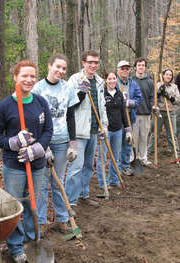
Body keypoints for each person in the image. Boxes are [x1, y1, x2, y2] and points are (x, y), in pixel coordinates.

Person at [0, 60, 53, 263]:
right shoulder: (5, 106)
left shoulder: (41, 102)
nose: (29, 79)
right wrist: (14, 141)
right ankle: (16, 247)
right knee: (16, 206)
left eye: (33, 76)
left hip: (37, 165)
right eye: (24, 75)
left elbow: (48, 131)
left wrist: (38, 148)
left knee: (35, 204)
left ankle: (32, 239)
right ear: (15, 77)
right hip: (15, 166)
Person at [33, 54, 79, 234]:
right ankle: (42, 221)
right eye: (57, 67)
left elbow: (70, 116)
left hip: (62, 141)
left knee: (59, 181)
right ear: (49, 66)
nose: (60, 71)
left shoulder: (67, 88)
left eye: (64, 68)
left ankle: (61, 220)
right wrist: (43, 146)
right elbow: (34, 120)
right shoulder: (38, 89)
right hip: (44, 141)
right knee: (43, 183)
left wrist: (73, 143)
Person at [65, 50, 108, 213]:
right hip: (79, 131)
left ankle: (84, 194)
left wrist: (104, 125)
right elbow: (69, 105)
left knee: (89, 166)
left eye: (96, 62)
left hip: (95, 130)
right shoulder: (75, 80)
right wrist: (81, 93)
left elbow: (101, 106)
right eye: (90, 62)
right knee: (76, 167)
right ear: (83, 63)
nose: (93, 65)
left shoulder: (99, 81)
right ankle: (70, 202)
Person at [96, 70, 130, 188]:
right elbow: (99, 112)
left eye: (114, 78)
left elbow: (123, 112)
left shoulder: (119, 94)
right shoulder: (102, 94)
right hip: (105, 130)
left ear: (117, 79)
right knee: (103, 157)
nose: (112, 81)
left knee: (116, 155)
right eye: (109, 79)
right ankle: (103, 183)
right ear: (105, 80)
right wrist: (100, 127)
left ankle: (114, 180)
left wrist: (127, 129)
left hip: (118, 130)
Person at [147, 68, 180, 158]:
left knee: (172, 133)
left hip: (170, 112)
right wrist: (158, 93)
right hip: (158, 112)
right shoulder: (157, 85)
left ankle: (176, 152)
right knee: (155, 133)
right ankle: (149, 151)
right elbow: (152, 99)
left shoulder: (174, 87)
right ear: (163, 75)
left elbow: (178, 100)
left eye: (170, 75)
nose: (168, 76)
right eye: (167, 74)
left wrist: (169, 96)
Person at [117, 60, 142, 176]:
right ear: (118, 70)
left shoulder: (133, 84)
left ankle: (125, 166)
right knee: (116, 144)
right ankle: (116, 167)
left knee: (127, 143)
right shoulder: (114, 82)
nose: (125, 71)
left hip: (129, 119)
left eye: (127, 69)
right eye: (122, 68)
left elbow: (139, 98)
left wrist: (130, 103)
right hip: (116, 119)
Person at [131, 57, 155, 167]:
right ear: (135, 67)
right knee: (134, 138)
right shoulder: (131, 80)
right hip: (133, 114)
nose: (141, 67)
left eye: (143, 65)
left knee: (144, 137)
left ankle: (143, 157)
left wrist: (152, 107)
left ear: (145, 67)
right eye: (139, 65)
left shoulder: (150, 81)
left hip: (146, 113)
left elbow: (151, 97)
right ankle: (133, 158)